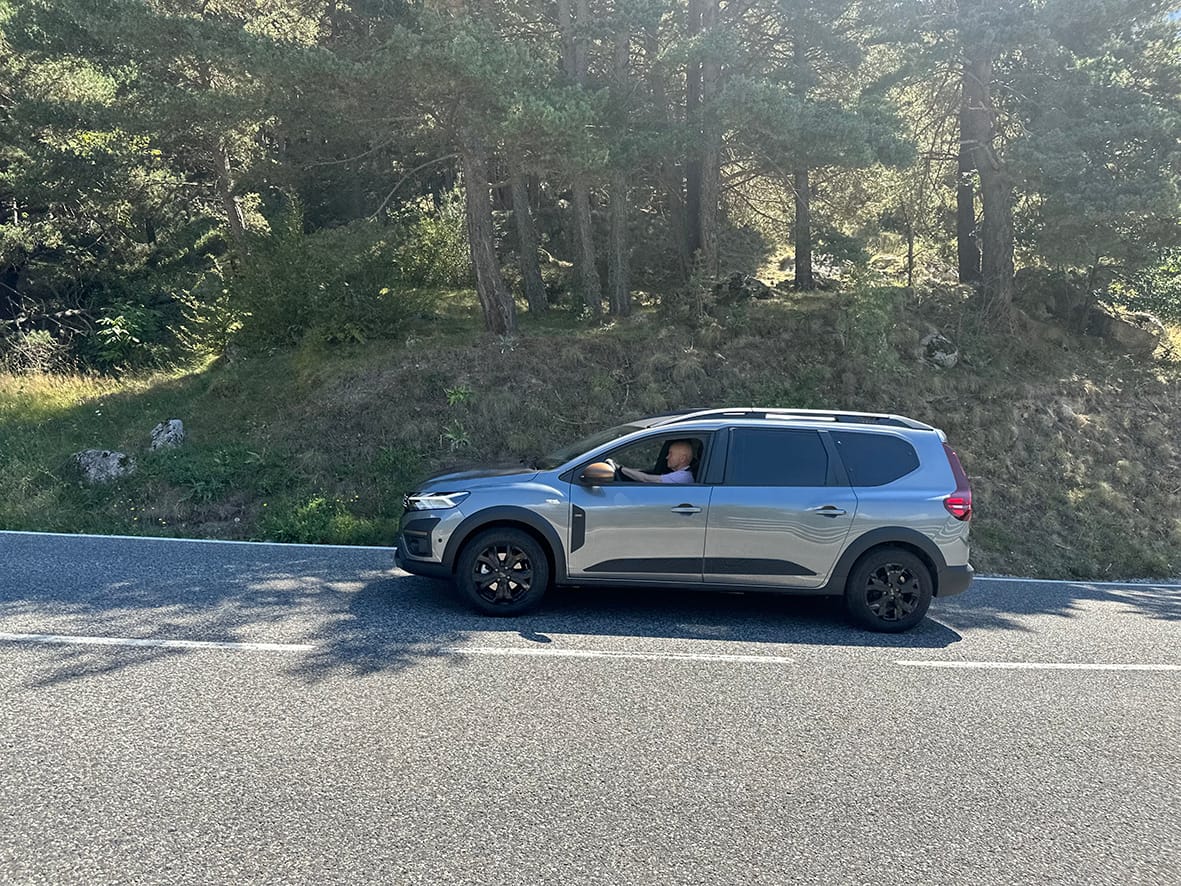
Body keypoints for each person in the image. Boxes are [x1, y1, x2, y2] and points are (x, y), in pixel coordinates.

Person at [616, 440, 695, 484]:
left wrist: (621, 469)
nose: (667, 457)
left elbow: (646, 479)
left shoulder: (682, 476)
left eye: (671, 454)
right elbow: (647, 472)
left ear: (682, 459)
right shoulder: (681, 474)